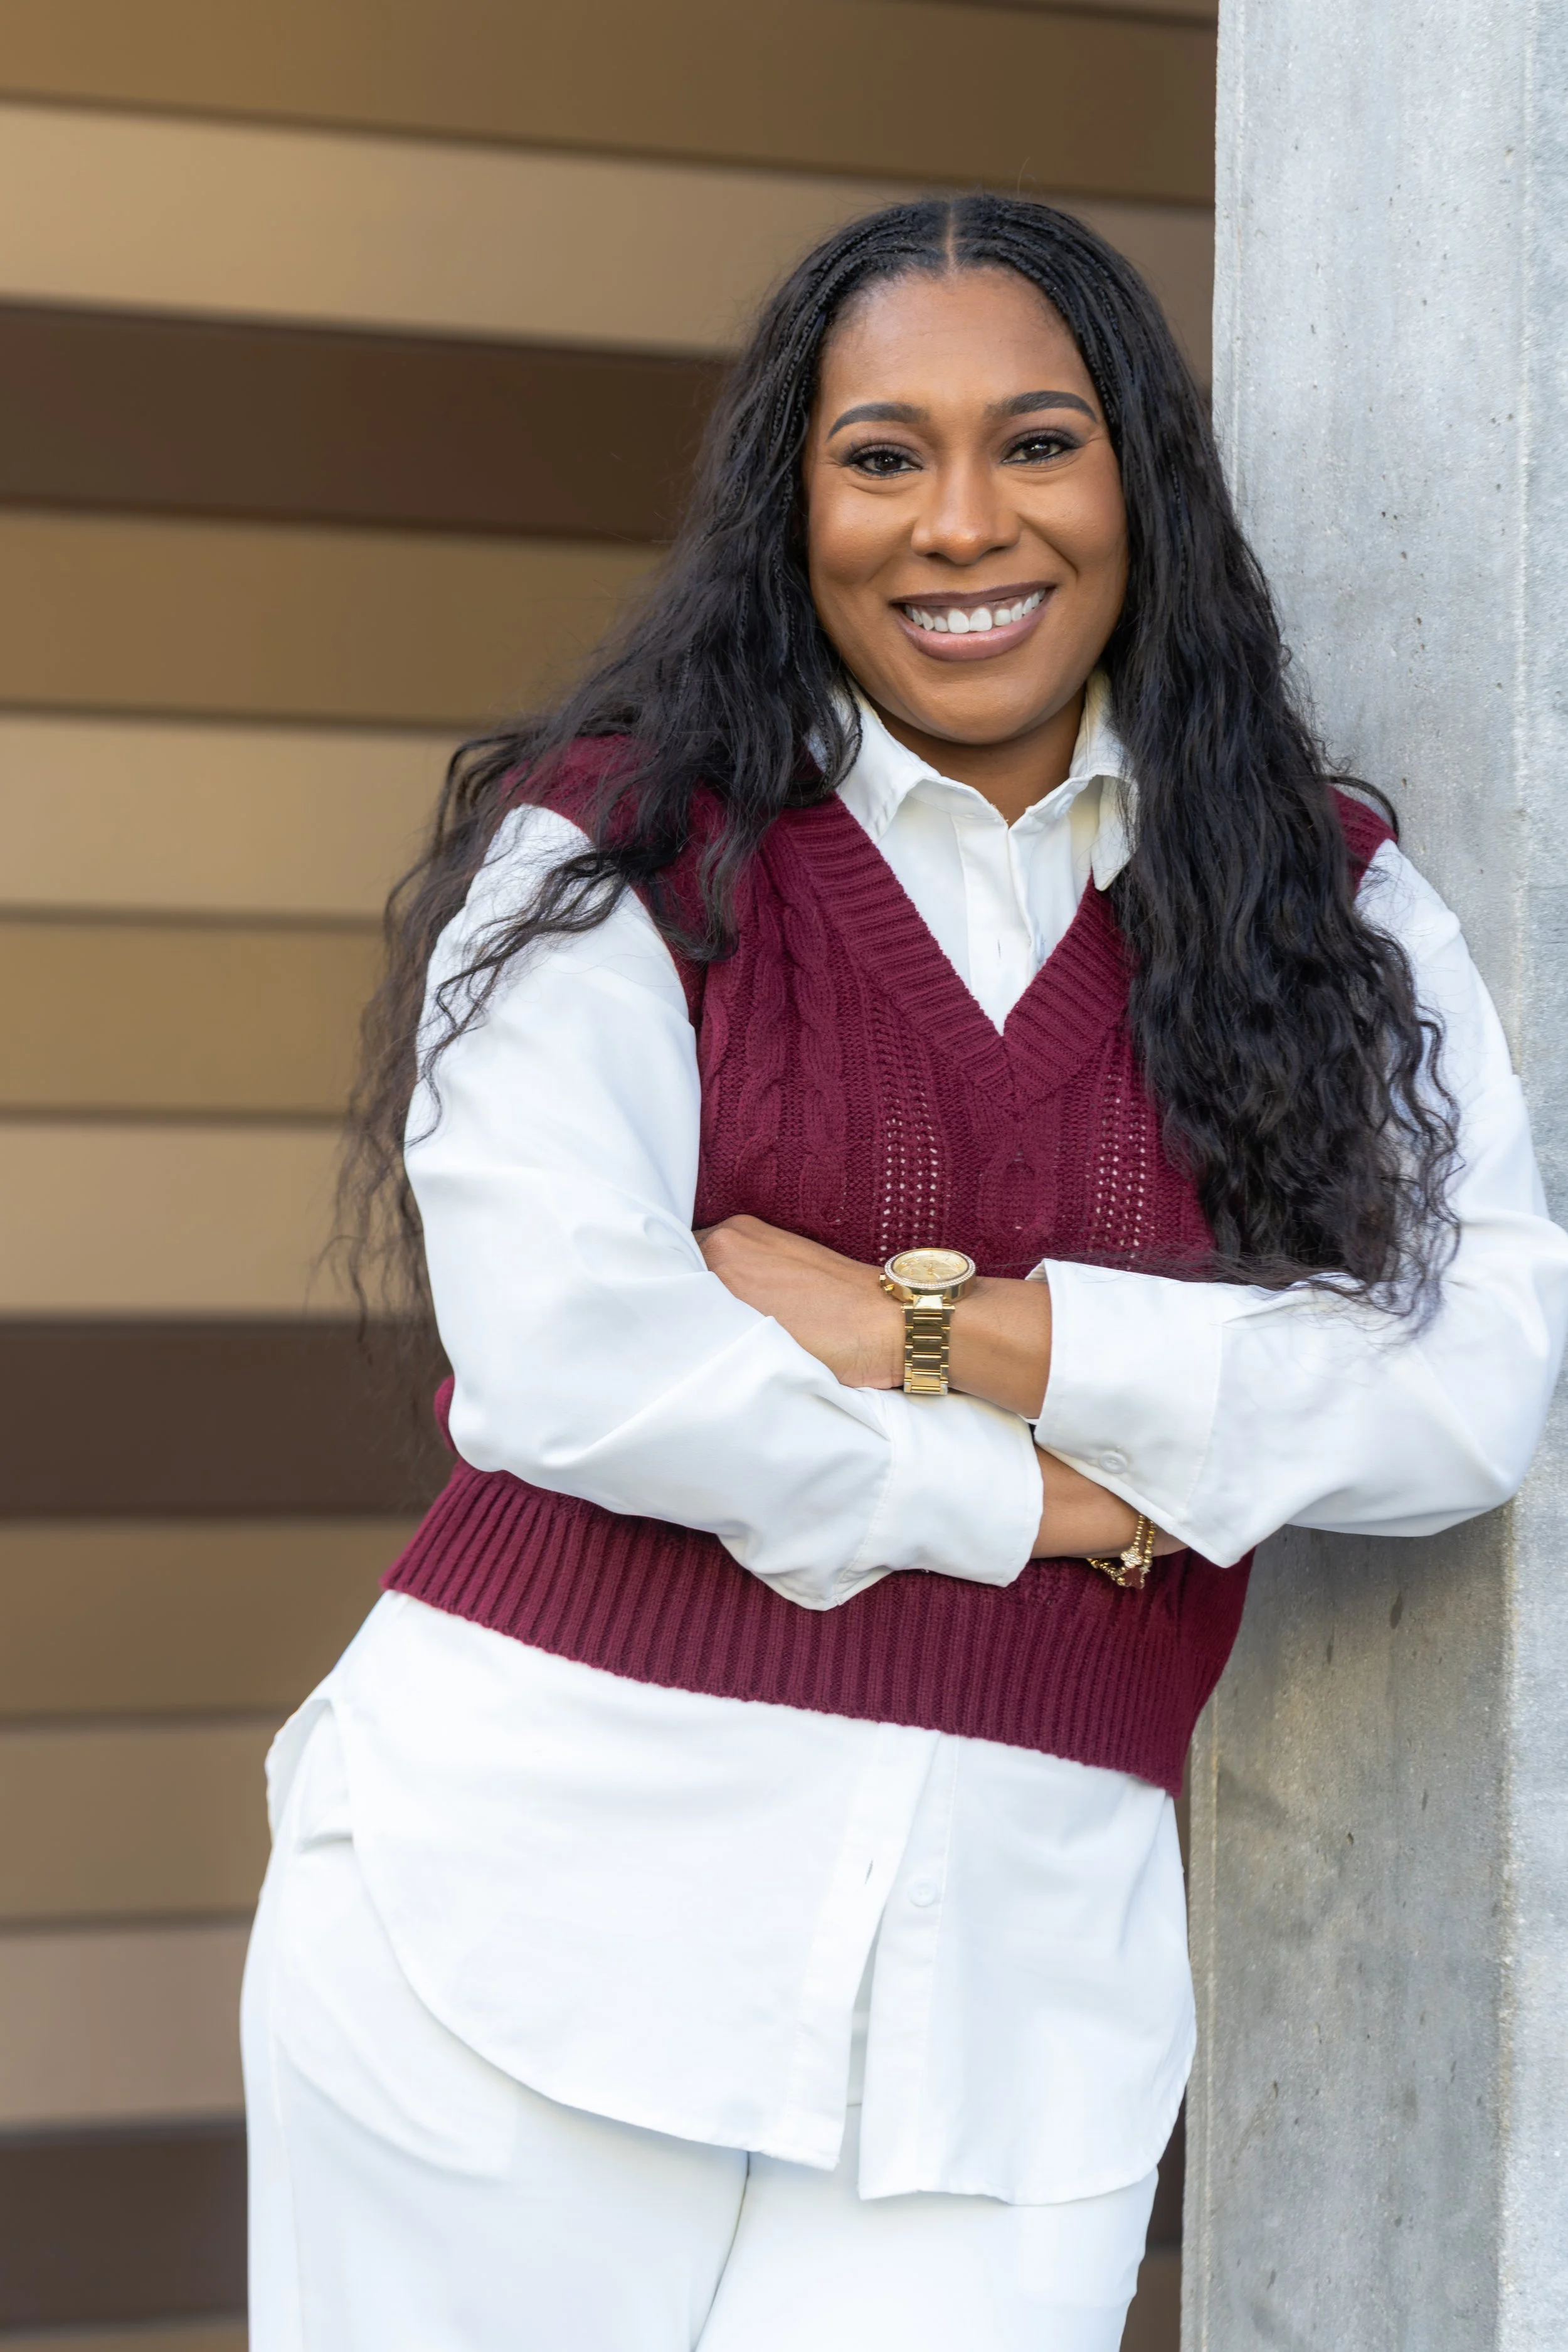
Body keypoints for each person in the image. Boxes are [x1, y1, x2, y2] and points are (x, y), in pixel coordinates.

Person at [240, 197, 1568, 2352]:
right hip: (525, 1914)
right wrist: (1049, 1498)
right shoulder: (613, 856)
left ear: (1140, 478)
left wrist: (935, 1329)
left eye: (1034, 443)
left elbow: (1466, 1380)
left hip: (1013, 1988)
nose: (959, 523)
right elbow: (586, 1365)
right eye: (880, 456)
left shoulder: (1325, 909)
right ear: (795, 500)